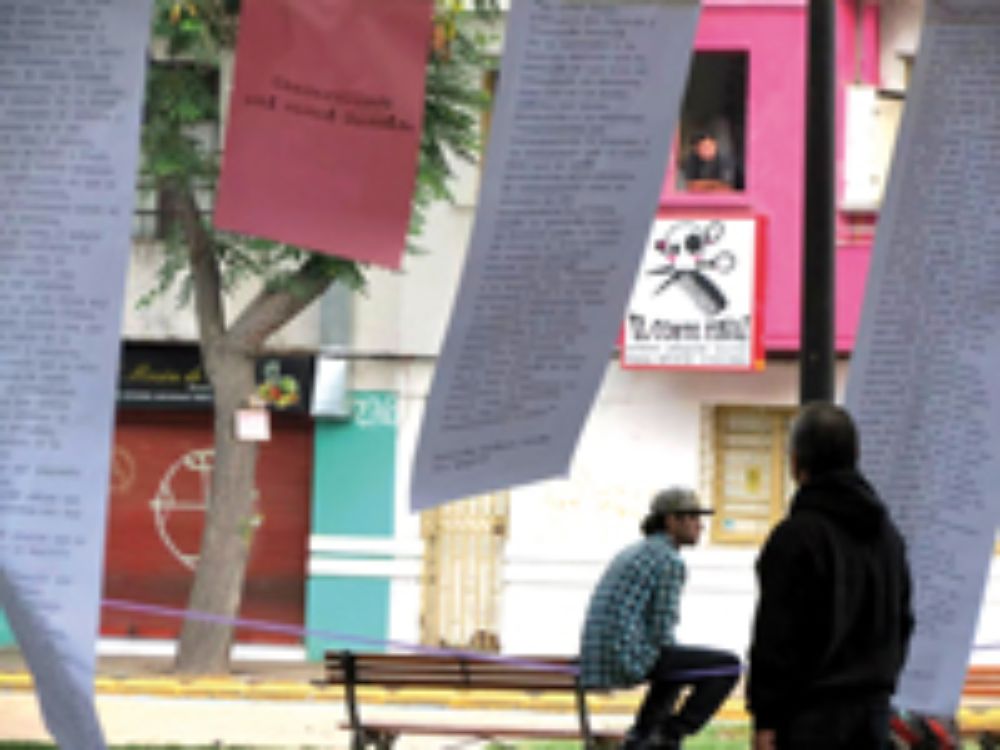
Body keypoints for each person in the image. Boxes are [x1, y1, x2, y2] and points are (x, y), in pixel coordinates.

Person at [747, 402, 914, 750]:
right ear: (855, 455)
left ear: (795, 463)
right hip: (873, 712)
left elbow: (776, 635)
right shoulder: (888, 535)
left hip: (810, 717)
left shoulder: (795, 537)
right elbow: (904, 621)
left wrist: (766, 718)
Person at [580, 488, 741, 750]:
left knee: (674, 664)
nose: (700, 525)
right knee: (728, 666)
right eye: (692, 517)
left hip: (604, 655)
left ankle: (643, 736)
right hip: (626, 656)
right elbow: (661, 630)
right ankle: (670, 732)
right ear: (670, 521)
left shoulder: (637, 550)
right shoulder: (669, 560)